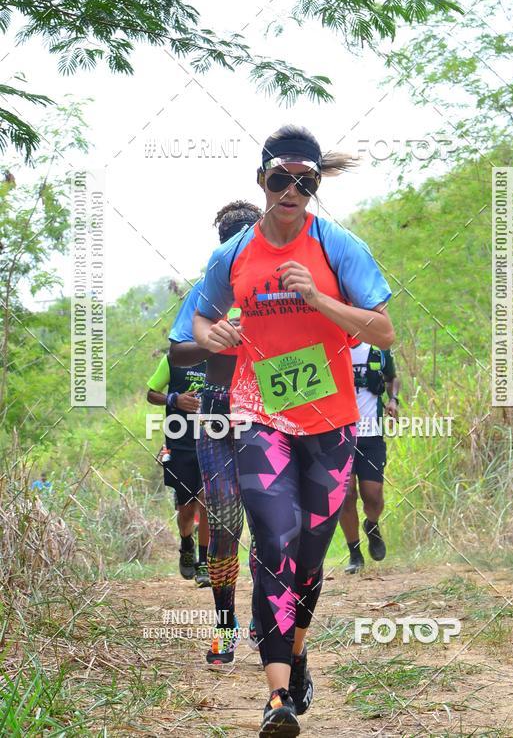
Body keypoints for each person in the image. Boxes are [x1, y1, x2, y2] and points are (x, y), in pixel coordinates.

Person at [192, 125, 395, 737]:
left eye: (304, 182)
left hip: (331, 421)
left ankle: (297, 653)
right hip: (260, 415)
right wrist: (213, 335)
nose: (291, 190)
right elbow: (199, 320)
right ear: (261, 180)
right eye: (280, 178)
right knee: (274, 539)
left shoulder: (337, 246)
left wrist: (319, 299)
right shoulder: (233, 254)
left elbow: (383, 330)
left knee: (309, 554)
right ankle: (277, 696)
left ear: (315, 186)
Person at [169, 200, 263, 664]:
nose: (240, 247)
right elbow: (177, 353)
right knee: (224, 524)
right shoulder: (208, 292)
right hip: (217, 413)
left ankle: (265, 622)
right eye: (232, 240)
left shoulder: (275, 286)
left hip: (268, 412)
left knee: (269, 523)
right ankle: (225, 628)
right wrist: (212, 339)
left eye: (249, 236)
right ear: (221, 246)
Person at [146, 354, 210, 585]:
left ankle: (204, 562)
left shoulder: (217, 359)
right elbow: (151, 394)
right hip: (180, 444)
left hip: (212, 441)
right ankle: (186, 544)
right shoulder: (172, 360)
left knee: (207, 502)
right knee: (186, 509)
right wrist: (174, 400)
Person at [339, 342, 399, 574]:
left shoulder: (377, 349)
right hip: (339, 434)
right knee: (346, 496)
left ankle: (371, 525)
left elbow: (392, 377)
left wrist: (393, 399)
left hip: (371, 434)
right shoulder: (331, 345)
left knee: (373, 497)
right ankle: (354, 553)